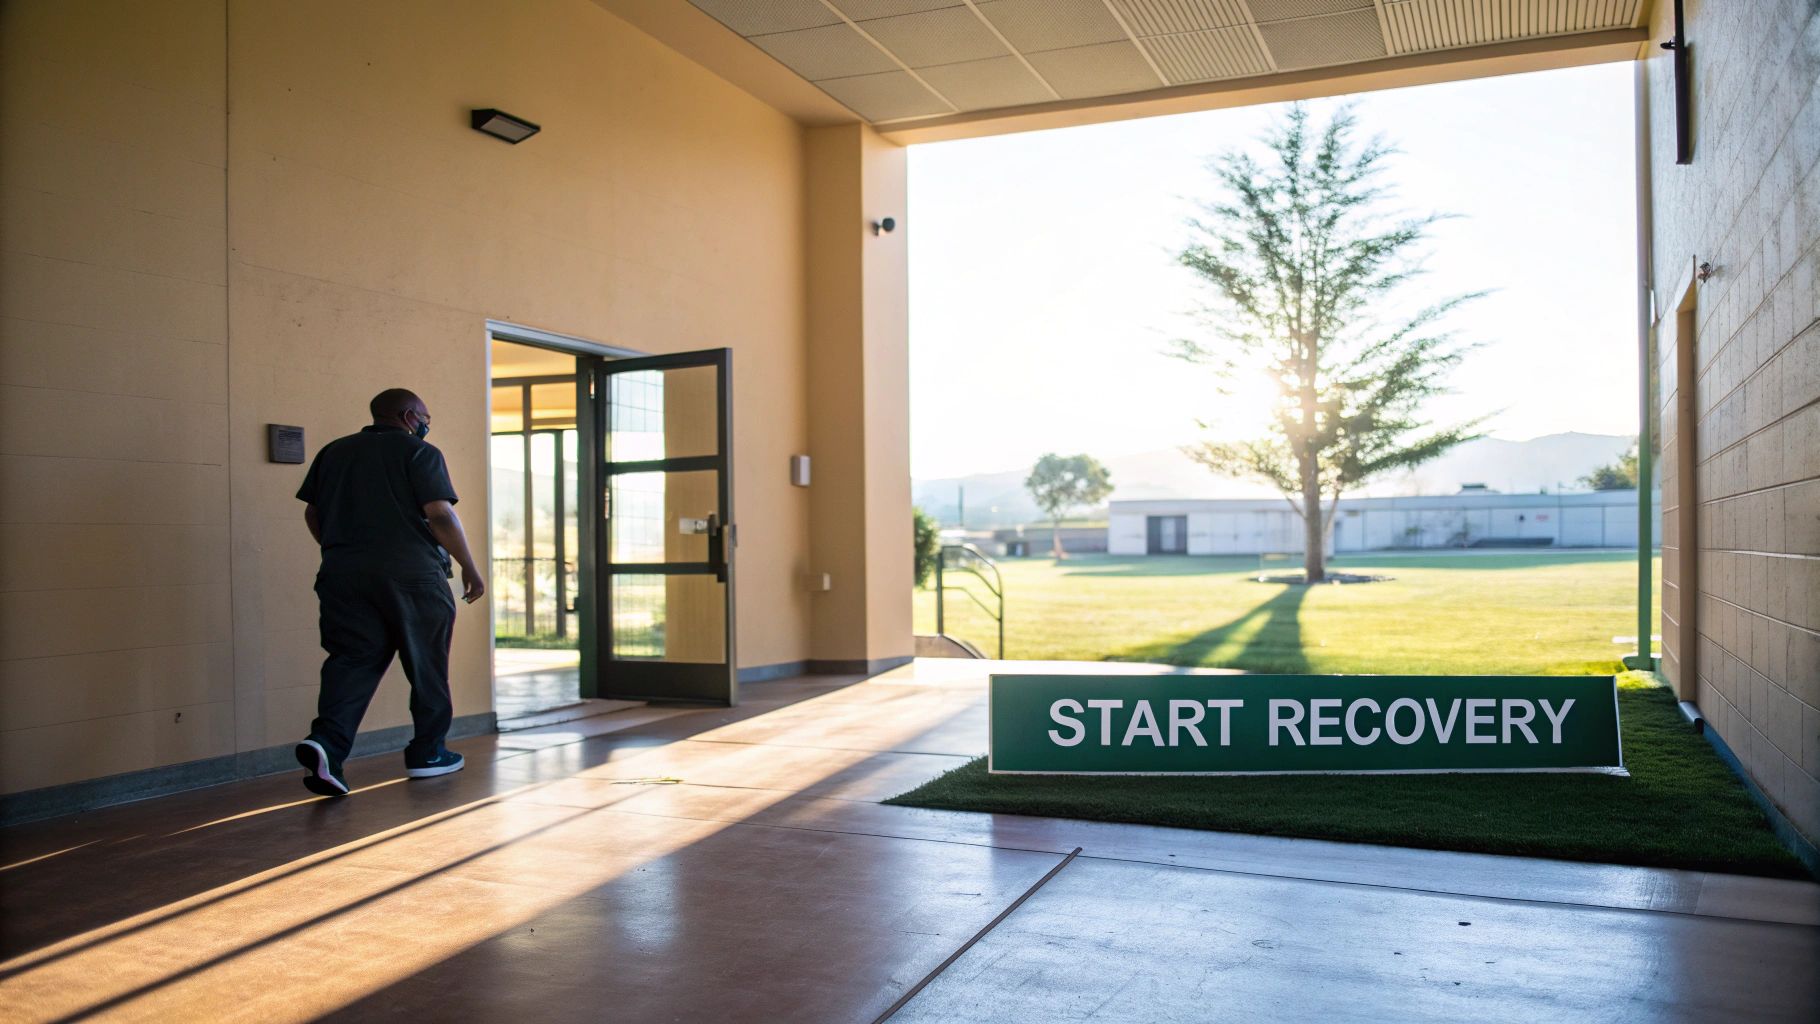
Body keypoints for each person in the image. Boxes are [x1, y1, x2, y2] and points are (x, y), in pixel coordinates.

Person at [292, 388, 485, 796]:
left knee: (352, 659)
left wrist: (340, 552)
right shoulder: (420, 454)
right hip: (413, 576)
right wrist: (469, 566)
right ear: (409, 415)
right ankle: (428, 753)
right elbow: (439, 513)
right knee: (426, 664)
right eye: (425, 417)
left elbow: (313, 511)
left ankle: (327, 745)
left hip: (343, 576)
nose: (427, 425)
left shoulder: (334, 452)